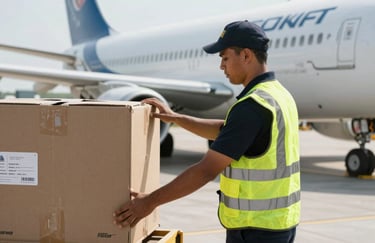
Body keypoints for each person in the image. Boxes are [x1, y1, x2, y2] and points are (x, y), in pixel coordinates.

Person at [113, 20, 301, 243]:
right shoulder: (278, 96)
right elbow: (227, 131)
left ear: (246, 56)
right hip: (280, 223)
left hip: (255, 230)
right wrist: (175, 117)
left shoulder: (252, 106)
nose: (222, 66)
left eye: (225, 57)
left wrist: (148, 202)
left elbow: (205, 171)